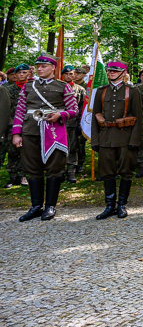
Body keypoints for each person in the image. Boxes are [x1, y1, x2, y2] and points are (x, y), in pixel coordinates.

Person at [11, 54, 79, 221]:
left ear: (53, 68)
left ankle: (50, 206)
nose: (40, 69)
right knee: (32, 169)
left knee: (54, 168)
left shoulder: (63, 86)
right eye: (38, 66)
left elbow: (74, 110)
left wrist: (60, 114)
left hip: (54, 132)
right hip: (30, 132)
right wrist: (16, 134)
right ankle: (35, 206)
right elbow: (19, 111)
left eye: (44, 66)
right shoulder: (27, 87)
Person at [91, 60, 142, 219]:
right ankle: (109, 205)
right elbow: (95, 117)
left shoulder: (132, 92)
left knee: (126, 172)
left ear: (123, 73)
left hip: (125, 137)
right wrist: (95, 140)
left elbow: (139, 118)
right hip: (106, 137)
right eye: (109, 70)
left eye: (115, 71)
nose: (111, 73)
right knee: (107, 172)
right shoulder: (101, 91)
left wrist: (134, 141)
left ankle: (122, 205)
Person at [3, 64, 30, 188]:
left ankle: (25, 176)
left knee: (27, 151)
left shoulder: (32, 88)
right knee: (12, 150)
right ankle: (13, 177)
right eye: (19, 73)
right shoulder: (8, 89)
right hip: (12, 124)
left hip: (28, 124)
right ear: (15, 75)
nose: (21, 75)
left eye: (24, 73)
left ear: (28, 74)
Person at [59, 65, 86, 184]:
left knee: (73, 147)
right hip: (58, 123)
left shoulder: (80, 89)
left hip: (73, 123)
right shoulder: (57, 87)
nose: (69, 76)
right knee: (58, 148)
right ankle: (59, 171)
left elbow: (82, 108)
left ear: (74, 75)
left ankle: (71, 171)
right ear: (62, 75)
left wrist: (81, 123)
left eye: (71, 74)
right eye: (66, 74)